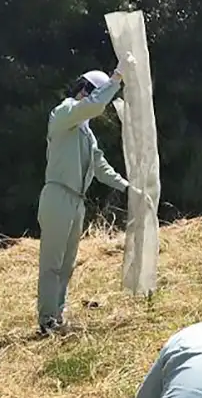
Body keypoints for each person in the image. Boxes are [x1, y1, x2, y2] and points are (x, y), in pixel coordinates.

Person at [37, 51, 154, 335]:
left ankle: (57, 316)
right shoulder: (64, 112)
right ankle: (46, 321)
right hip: (57, 195)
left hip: (76, 201)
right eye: (96, 94)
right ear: (84, 90)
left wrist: (129, 189)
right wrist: (117, 78)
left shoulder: (86, 134)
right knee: (52, 263)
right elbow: (91, 107)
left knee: (66, 265)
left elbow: (101, 167)